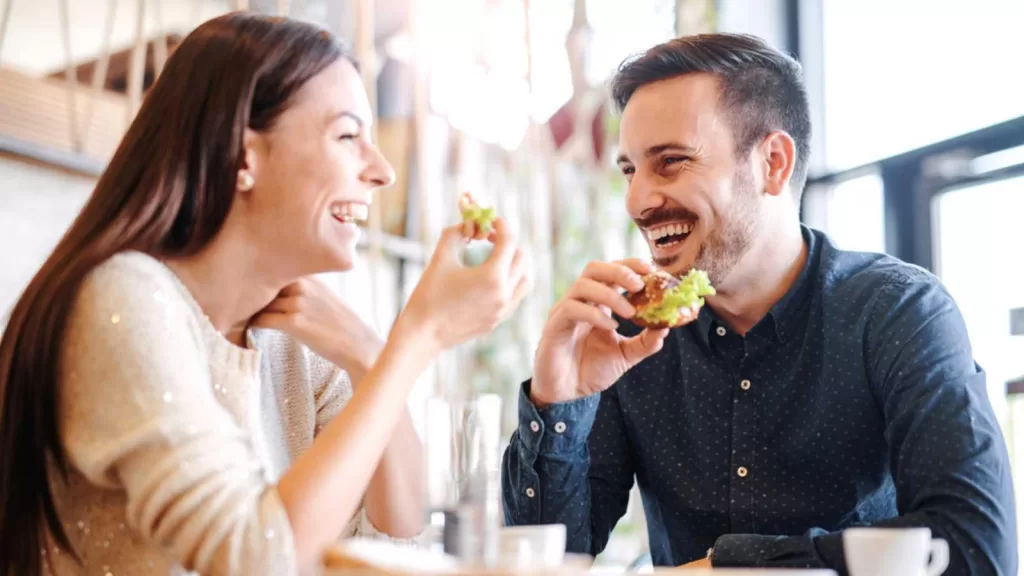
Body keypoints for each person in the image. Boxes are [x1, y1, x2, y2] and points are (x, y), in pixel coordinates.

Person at [0, 13, 531, 576]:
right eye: (348, 135)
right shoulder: (121, 300)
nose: (382, 172)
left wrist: (372, 355)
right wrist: (419, 337)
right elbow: (252, 559)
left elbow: (397, 529)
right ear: (242, 156)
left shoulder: (295, 341)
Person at [500, 33, 1016, 576]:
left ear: (773, 162)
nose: (638, 201)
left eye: (671, 161)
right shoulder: (625, 330)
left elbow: (976, 548)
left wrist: (730, 566)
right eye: (630, 170)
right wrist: (559, 400)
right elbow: (546, 563)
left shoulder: (897, 312)